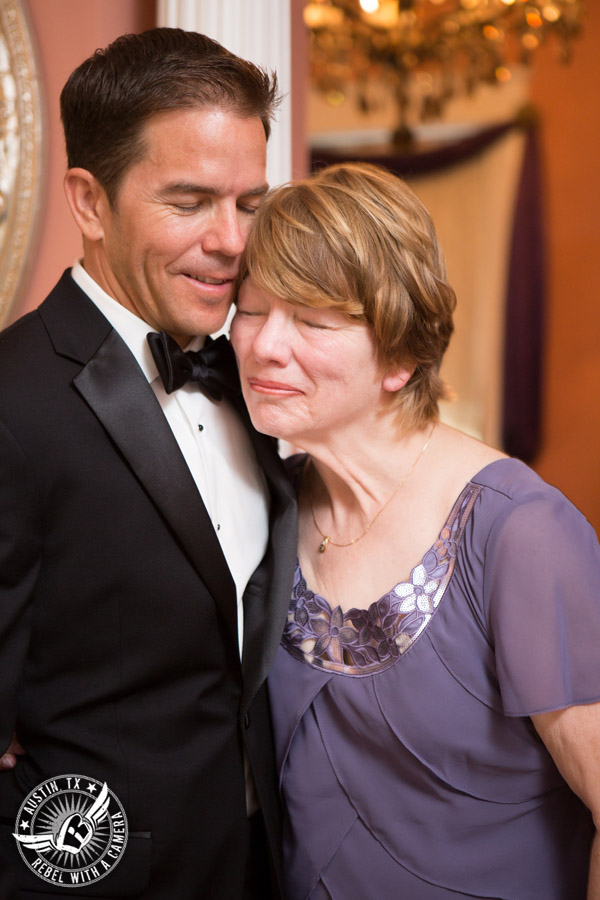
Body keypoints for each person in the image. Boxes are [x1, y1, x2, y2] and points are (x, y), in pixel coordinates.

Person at [230, 161, 600, 899]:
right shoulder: (260, 504)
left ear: (400, 355)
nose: (265, 346)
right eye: (252, 309)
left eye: (312, 321)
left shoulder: (520, 533)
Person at [0, 28, 297, 900]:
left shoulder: (262, 373)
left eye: (251, 203)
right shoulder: (11, 403)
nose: (232, 241)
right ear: (90, 203)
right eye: (189, 201)